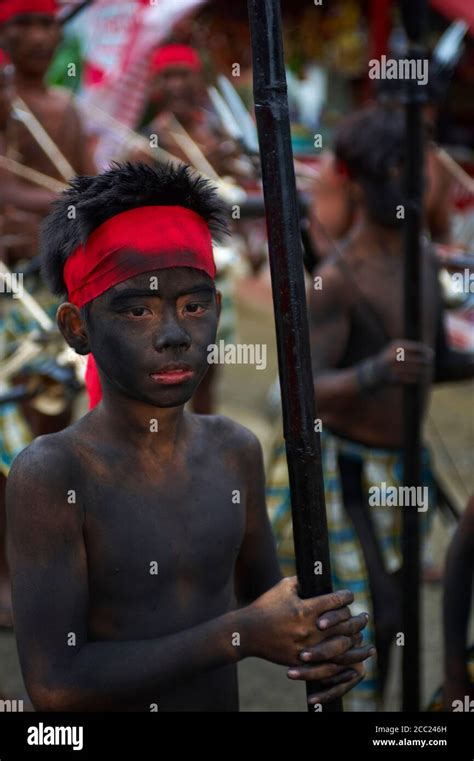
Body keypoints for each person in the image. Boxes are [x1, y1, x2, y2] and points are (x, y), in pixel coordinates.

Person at [6, 162, 373, 711]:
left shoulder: (234, 450)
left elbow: (262, 601)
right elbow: (56, 684)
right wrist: (240, 635)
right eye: (137, 310)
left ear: (217, 310)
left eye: (194, 306)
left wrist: (316, 634)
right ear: (75, 327)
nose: (175, 334)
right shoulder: (55, 474)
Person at [266, 105, 474, 709]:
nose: (411, 188)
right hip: (346, 470)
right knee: (364, 623)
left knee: (398, 614)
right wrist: (373, 372)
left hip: (402, 468)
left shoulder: (422, 259)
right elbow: (290, 392)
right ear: (357, 181)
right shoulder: (339, 277)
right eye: (394, 172)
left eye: (421, 172)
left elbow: (432, 362)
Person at [0, 0, 96, 627]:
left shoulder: (67, 110)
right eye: (21, 24)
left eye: (45, 22)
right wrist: (60, 199)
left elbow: (86, 190)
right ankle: (6, 574)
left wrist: (78, 202)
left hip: (45, 284)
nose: (37, 36)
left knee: (45, 427)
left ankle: (42, 566)